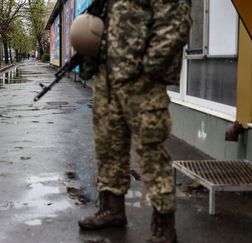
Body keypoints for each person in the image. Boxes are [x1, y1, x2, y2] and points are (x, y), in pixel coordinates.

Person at [77, 0, 192, 242]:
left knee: (150, 150)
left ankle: (164, 225)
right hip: (108, 79)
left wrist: (149, 70)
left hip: (142, 80)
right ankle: (112, 209)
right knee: (108, 147)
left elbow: (175, 22)